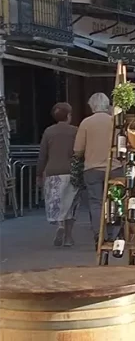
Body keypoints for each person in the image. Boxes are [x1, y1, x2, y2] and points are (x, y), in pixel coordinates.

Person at [73, 93, 114, 240]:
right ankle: (113, 231)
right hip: (114, 168)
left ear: (92, 105)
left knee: (96, 202)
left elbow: (78, 149)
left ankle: (99, 234)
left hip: (92, 168)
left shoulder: (86, 123)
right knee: (114, 199)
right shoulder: (114, 121)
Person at [37, 103, 78, 247]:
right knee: (70, 204)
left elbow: (42, 155)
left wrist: (39, 174)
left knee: (57, 202)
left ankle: (59, 224)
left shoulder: (49, 131)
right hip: (71, 172)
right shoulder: (75, 131)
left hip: (53, 171)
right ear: (68, 115)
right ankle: (68, 237)